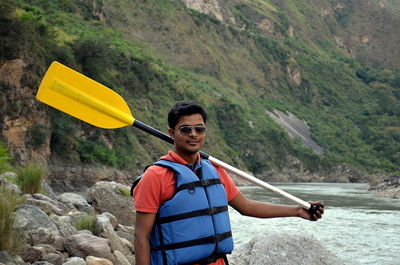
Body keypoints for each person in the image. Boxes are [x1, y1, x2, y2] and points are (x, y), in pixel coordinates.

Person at [133, 101, 324, 265]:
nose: (193, 134)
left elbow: (247, 206)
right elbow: (142, 237)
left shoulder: (214, 169)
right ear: (171, 133)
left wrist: (298, 211)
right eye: (185, 129)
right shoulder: (155, 176)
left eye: (199, 129)